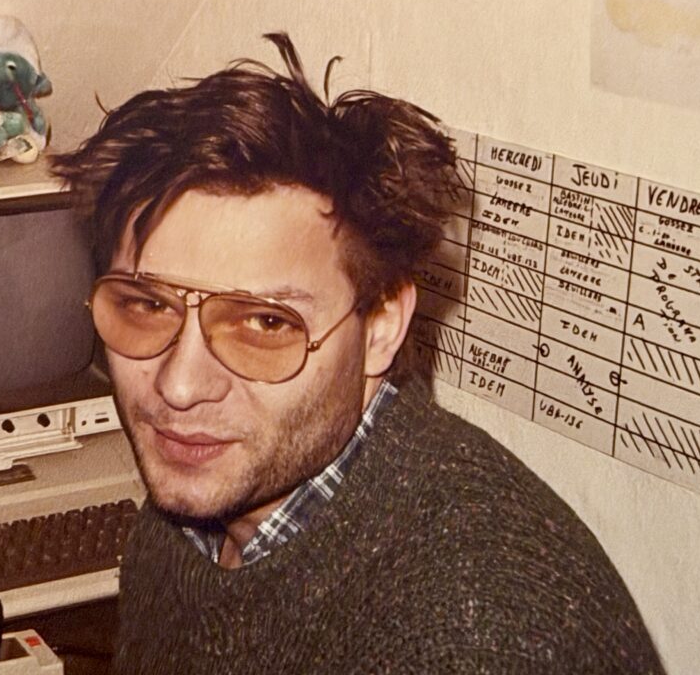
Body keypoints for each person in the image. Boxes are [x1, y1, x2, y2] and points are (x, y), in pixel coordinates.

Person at [53, 34, 665, 674]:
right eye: (148, 305)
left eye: (266, 323)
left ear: (380, 327)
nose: (178, 387)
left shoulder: (477, 638)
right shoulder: (195, 504)